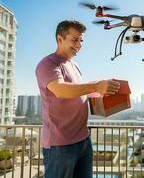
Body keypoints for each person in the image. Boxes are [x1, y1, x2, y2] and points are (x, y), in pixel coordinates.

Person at [35, 20, 120, 178]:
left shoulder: (74, 66)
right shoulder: (48, 64)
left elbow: (79, 92)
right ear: (59, 39)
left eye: (81, 40)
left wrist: (103, 91)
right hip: (60, 145)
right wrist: (95, 86)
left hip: (83, 141)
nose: (79, 45)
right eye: (74, 40)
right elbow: (60, 90)